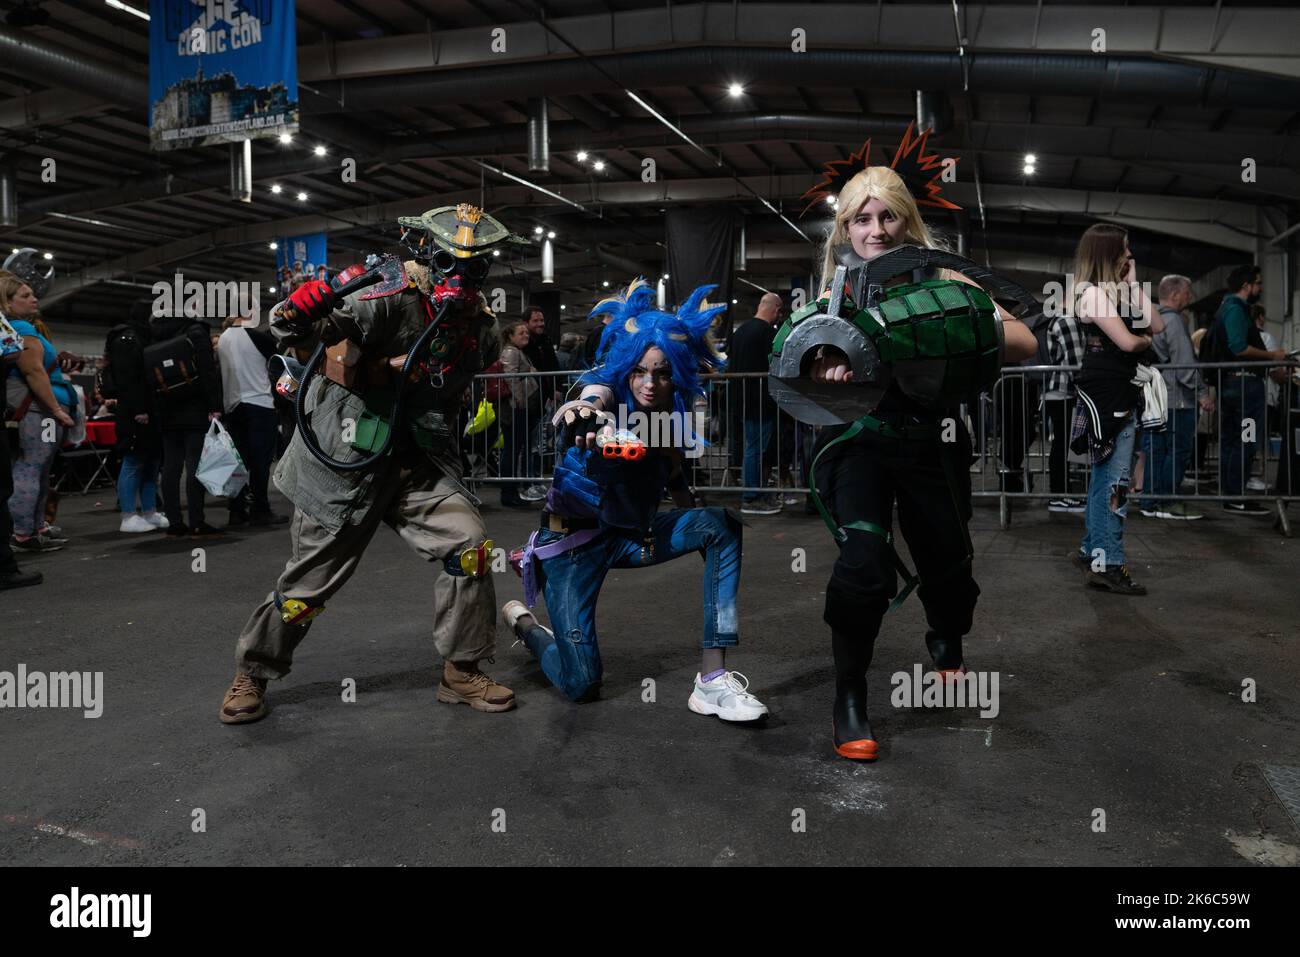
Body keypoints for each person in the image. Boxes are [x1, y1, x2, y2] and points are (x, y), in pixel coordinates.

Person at [781, 124, 1038, 761]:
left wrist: (946, 324)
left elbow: (1025, 342)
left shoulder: (949, 280)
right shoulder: (828, 298)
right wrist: (827, 368)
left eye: (888, 217)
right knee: (861, 566)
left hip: (933, 441)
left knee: (949, 566)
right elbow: (803, 378)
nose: (875, 230)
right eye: (861, 219)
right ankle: (849, 697)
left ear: (907, 222)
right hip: (859, 445)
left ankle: (946, 636)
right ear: (844, 230)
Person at [220, 203, 522, 725]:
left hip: (417, 459)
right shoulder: (383, 294)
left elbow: (459, 378)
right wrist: (296, 311)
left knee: (470, 547)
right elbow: (305, 331)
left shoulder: (479, 324)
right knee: (307, 586)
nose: (464, 277)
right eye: (453, 263)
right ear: (428, 253)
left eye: (476, 266)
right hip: (344, 461)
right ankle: (253, 670)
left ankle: (461, 669)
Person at [501, 279, 770, 721]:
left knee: (721, 523)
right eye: (640, 371)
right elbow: (587, 401)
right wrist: (585, 414)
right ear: (625, 366)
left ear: (676, 373)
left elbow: (677, 478)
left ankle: (712, 681)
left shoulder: (672, 414)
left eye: (662, 373)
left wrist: (707, 538)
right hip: (574, 549)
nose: (649, 384)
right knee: (582, 684)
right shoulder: (604, 392)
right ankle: (528, 627)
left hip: (633, 537)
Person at [1068, 224, 1164, 594]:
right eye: (1124, 249)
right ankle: (1109, 562)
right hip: (1110, 396)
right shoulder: (1091, 294)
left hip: (1116, 392)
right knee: (1115, 483)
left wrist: (1134, 283)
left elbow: (1157, 324)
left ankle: (1093, 551)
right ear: (1108, 253)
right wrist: (1144, 341)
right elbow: (1129, 342)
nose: (1129, 255)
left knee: (1106, 478)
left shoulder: (1112, 293)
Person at [2, 272, 76, 553]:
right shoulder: (22, 328)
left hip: (39, 408)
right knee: (30, 469)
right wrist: (56, 409)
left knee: (39, 470)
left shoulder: (23, 328)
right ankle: (23, 534)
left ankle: (34, 528)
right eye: (25, 296)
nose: (34, 298)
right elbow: (32, 371)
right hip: (38, 409)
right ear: (8, 303)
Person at [1205, 265, 1285, 515]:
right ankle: (1236, 495)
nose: (1260, 288)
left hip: (1231, 386)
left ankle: (1231, 494)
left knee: (1231, 441)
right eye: (1258, 283)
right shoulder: (1236, 310)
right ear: (1246, 285)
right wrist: (1272, 355)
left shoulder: (1224, 308)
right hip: (1245, 389)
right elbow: (1239, 347)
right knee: (1246, 440)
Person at [1138, 275, 1212, 520]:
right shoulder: (1174, 323)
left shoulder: (1150, 320)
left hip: (1154, 397)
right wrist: (1202, 393)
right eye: (1187, 293)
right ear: (1175, 294)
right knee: (1178, 450)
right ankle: (1166, 500)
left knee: (1155, 450)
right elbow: (1184, 366)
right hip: (1177, 399)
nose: (1189, 297)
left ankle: (1149, 501)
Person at [148, 309, 224, 537]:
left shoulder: (155, 334)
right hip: (194, 408)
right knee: (194, 467)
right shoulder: (195, 332)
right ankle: (197, 522)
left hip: (165, 410)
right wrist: (215, 405)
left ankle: (174, 523)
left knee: (170, 468)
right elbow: (206, 370)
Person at [217, 315, 288, 527]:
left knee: (239, 461)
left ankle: (236, 511)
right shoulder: (259, 338)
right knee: (260, 462)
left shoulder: (223, 338)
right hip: (260, 403)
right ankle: (260, 508)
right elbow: (280, 365)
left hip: (233, 405)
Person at [105, 306, 167, 534]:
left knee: (150, 463)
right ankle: (128, 514)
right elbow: (128, 378)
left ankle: (149, 511)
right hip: (136, 411)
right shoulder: (128, 340)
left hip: (146, 409)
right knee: (133, 462)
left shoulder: (137, 337)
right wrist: (138, 409)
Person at [731, 292, 785, 515]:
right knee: (756, 450)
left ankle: (754, 494)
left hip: (741, 399)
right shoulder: (765, 332)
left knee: (752, 449)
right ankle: (752, 497)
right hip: (760, 400)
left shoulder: (741, 330)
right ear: (776, 310)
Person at [498, 321, 545, 507]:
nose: (526, 335)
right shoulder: (511, 352)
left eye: (526, 332)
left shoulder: (517, 351)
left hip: (519, 406)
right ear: (510, 336)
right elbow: (510, 377)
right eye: (521, 332)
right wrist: (519, 402)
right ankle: (508, 493)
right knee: (511, 450)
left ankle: (511, 492)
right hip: (515, 408)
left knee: (514, 449)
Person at [1044, 309, 1086, 511]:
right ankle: (1059, 495)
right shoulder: (1066, 321)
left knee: (1061, 444)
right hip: (1064, 390)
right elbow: (1075, 361)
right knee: (1061, 444)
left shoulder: (1061, 320)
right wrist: (1083, 387)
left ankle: (1060, 494)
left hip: (1060, 390)